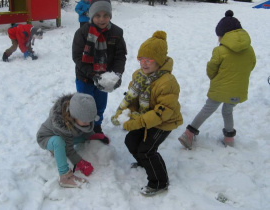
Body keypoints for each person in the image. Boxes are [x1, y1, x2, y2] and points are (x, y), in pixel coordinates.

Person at [111, 31, 183, 196]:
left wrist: (137, 122)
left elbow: (161, 113)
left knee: (147, 150)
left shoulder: (167, 83)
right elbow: (132, 99)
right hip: (144, 117)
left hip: (164, 122)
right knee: (131, 141)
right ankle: (144, 163)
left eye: (149, 60)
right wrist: (126, 112)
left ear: (159, 60)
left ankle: (159, 182)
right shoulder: (138, 76)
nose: (144, 63)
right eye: (141, 59)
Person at [178, 10, 256, 149]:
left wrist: (215, 78)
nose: (218, 39)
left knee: (207, 109)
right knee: (227, 111)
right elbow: (252, 65)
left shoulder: (220, 51)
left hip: (220, 88)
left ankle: (189, 134)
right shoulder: (249, 49)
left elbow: (211, 68)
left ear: (224, 35)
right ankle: (229, 139)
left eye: (219, 36)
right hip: (238, 89)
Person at [72, 0, 127, 135]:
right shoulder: (82, 33)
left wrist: (117, 74)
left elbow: (120, 56)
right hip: (85, 77)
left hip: (104, 77)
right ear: (91, 15)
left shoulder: (117, 32)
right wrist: (92, 75)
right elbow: (78, 57)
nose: (102, 19)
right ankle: (83, 128)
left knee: (100, 105)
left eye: (105, 15)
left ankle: (96, 127)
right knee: (84, 105)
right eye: (97, 15)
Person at [36, 93, 110, 188]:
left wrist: (93, 136)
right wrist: (80, 163)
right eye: (84, 121)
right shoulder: (62, 125)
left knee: (80, 137)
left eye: (90, 120)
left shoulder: (79, 113)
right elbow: (69, 149)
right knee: (59, 142)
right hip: (47, 138)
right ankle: (65, 177)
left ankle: (57, 151)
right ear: (74, 116)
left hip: (65, 137)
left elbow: (85, 129)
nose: (88, 123)